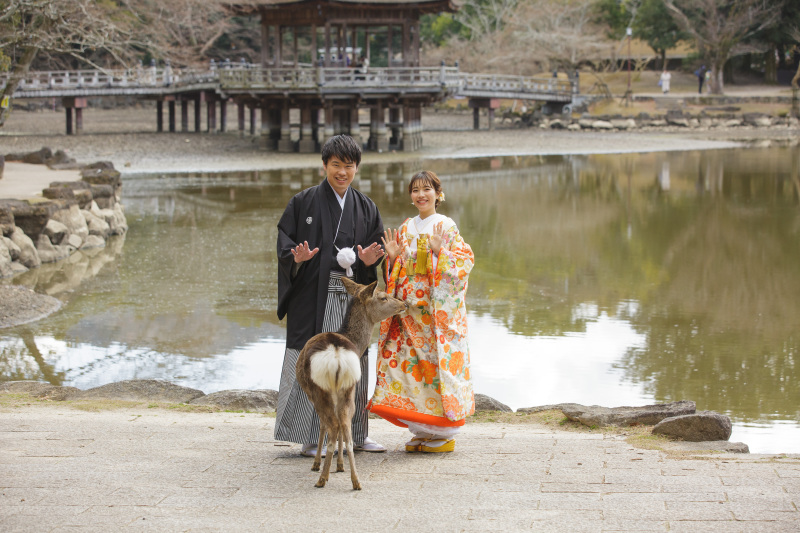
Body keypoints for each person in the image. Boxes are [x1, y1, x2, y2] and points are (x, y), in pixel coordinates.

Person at [275, 134, 387, 457]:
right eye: (335, 165)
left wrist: (370, 262)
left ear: (356, 168)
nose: (342, 172)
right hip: (313, 294)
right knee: (312, 359)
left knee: (354, 360)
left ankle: (358, 433)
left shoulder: (365, 207)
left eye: (348, 166)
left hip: (352, 302)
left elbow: (375, 251)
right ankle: (311, 438)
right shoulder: (303, 203)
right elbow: (285, 244)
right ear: (324, 165)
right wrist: (295, 259)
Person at [369, 170, 475, 453]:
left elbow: (464, 265)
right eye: (415, 190)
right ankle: (421, 430)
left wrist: (442, 253)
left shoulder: (446, 226)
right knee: (411, 370)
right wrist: (392, 260)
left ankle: (442, 434)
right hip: (408, 313)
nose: (420, 195)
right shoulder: (406, 227)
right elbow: (398, 271)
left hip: (434, 315)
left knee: (435, 369)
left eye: (426, 189)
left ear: (438, 194)